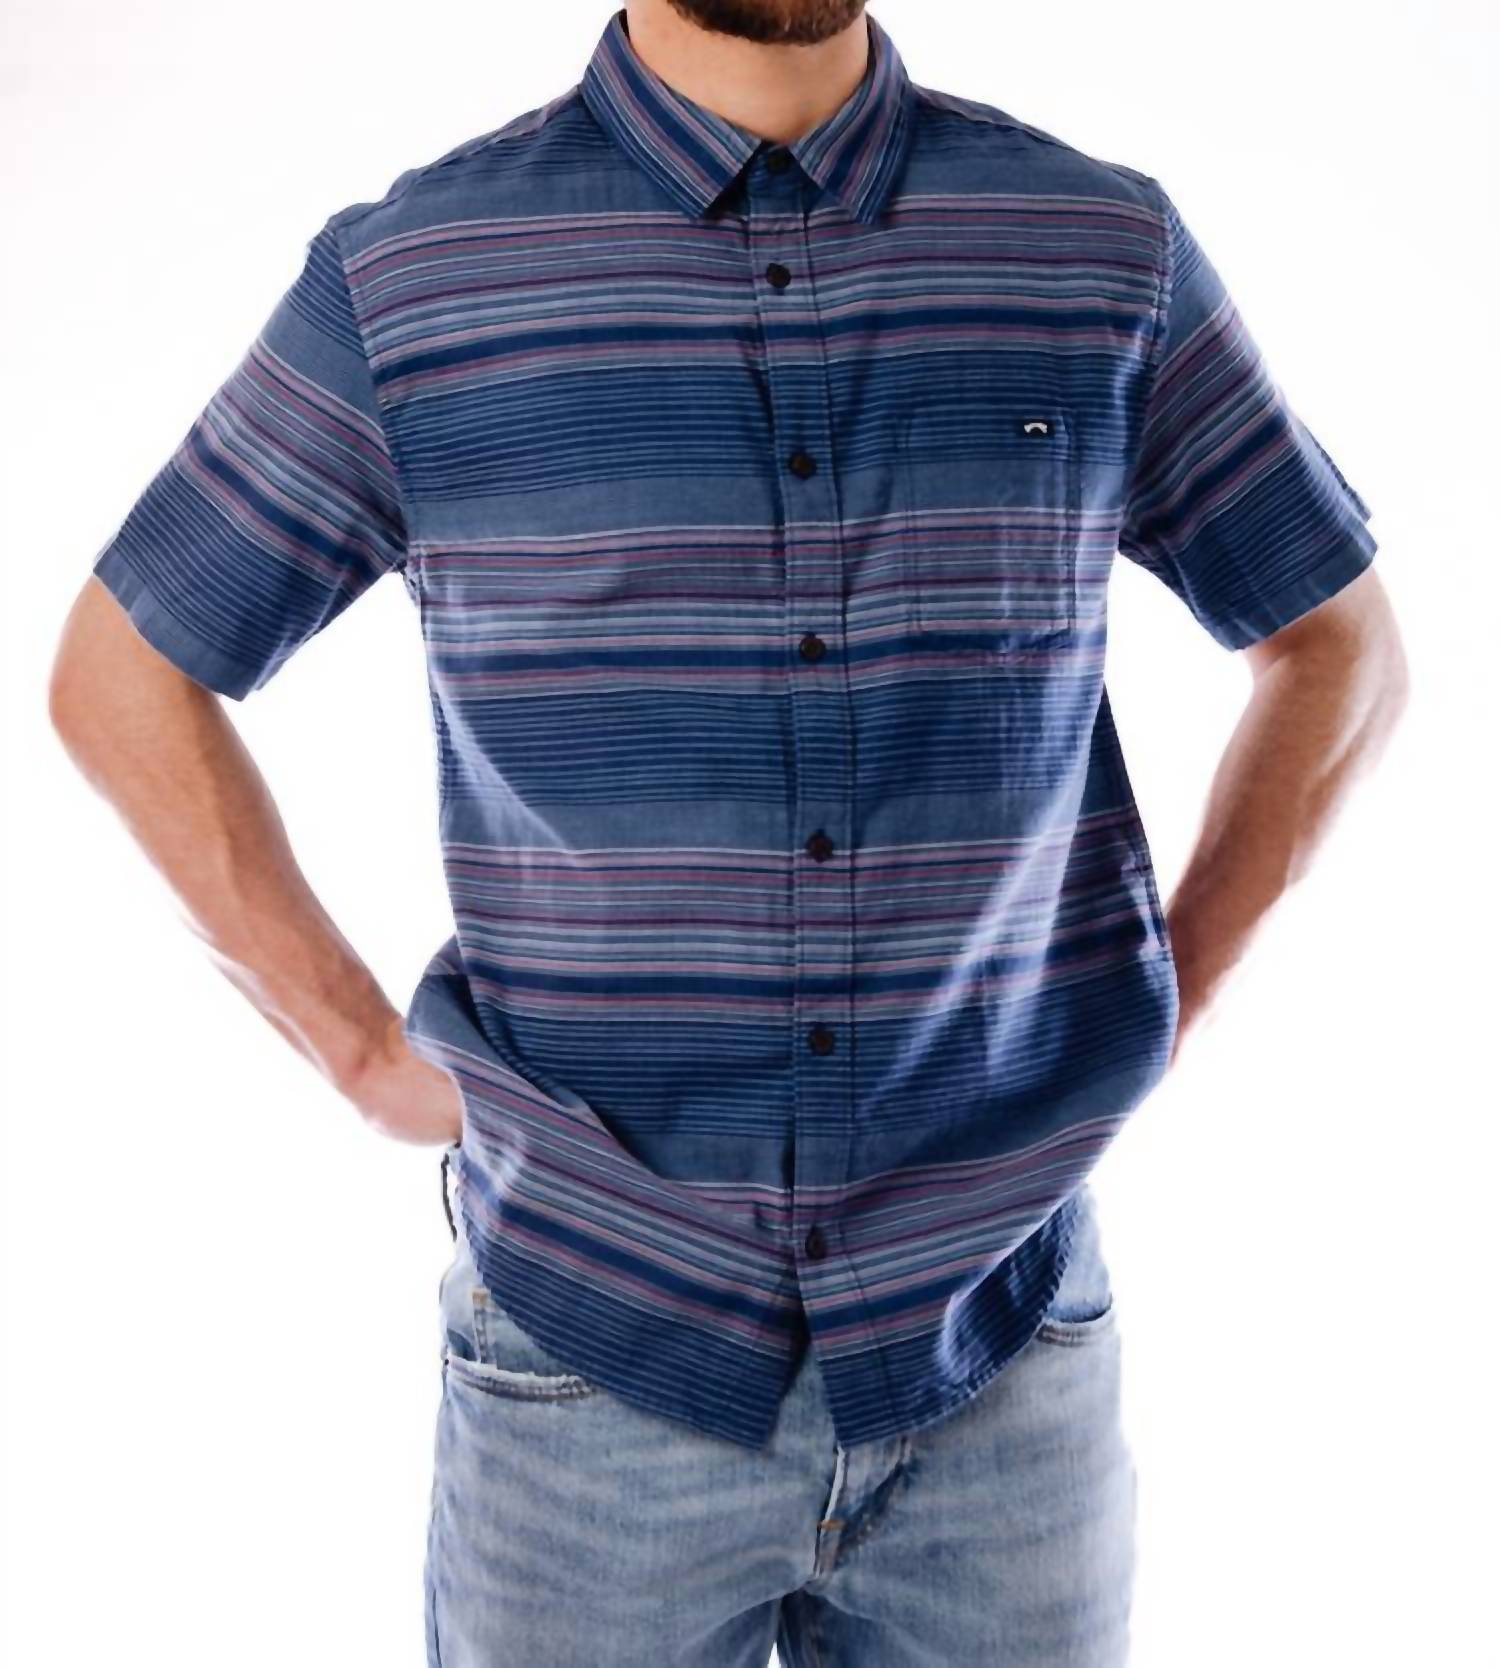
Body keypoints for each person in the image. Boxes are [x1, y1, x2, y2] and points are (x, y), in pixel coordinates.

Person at [50, 2, 1408, 1662]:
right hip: (588, 1359)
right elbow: (125, 675)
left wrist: (1171, 992)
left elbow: (1337, 645)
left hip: (1005, 1345)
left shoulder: (1091, 246)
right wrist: (352, 1049)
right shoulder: (417, 280)